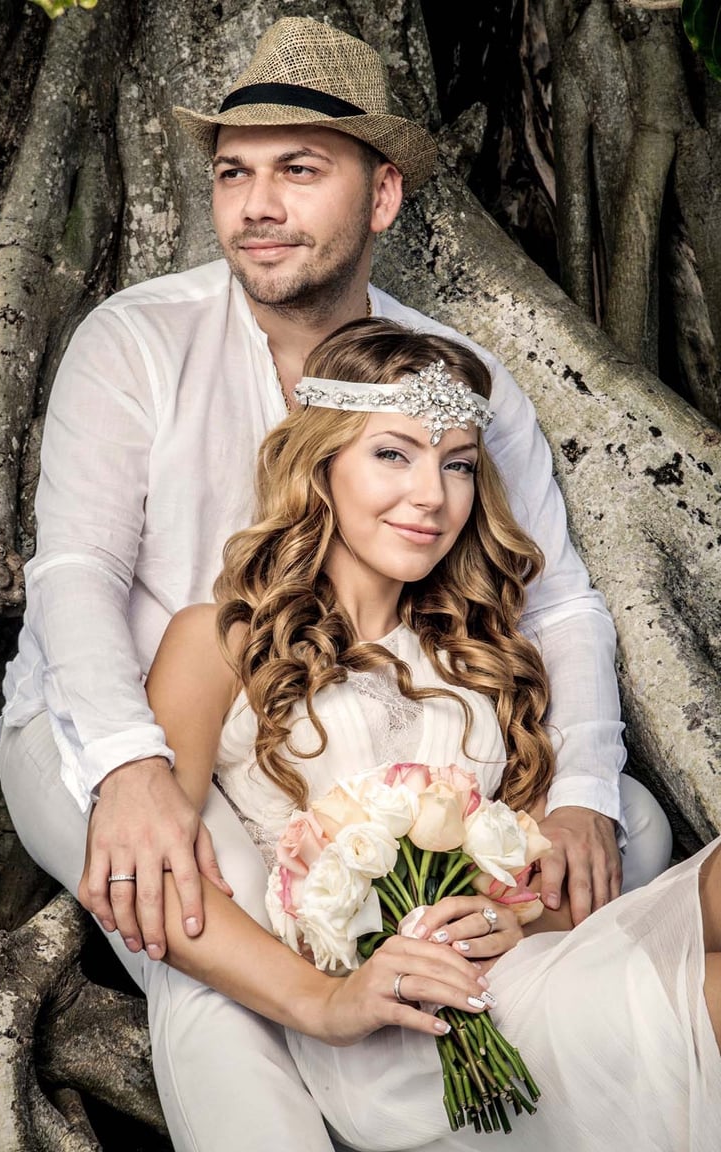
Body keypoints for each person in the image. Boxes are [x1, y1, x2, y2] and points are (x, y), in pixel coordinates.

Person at [0, 15, 672, 1150]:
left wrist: (580, 789)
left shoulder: (459, 383)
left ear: (385, 197)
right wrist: (133, 766)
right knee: (199, 936)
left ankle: (467, 1095)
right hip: (121, 714)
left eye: (299, 172)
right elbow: (77, 571)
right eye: (234, 175)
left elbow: (556, 602)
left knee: (629, 833)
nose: (257, 206)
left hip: (358, 722)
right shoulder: (137, 340)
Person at [144, 317, 721, 1152]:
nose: (433, 495)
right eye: (393, 453)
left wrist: (517, 919)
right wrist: (327, 1003)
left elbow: (540, 886)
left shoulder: (479, 646)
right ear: (321, 462)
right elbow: (155, 883)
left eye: (456, 464)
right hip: (393, 1037)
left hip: (531, 970)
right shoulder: (218, 641)